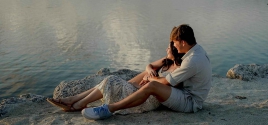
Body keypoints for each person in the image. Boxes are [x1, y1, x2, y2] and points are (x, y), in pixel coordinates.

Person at [81, 24, 212, 120]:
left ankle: (109, 109)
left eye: (175, 43)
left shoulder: (192, 60)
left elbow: (166, 82)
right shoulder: (197, 50)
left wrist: (149, 79)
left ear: (183, 42)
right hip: (186, 94)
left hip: (190, 102)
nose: (174, 47)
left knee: (153, 85)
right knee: (149, 81)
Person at [47, 40, 184, 114]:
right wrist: (149, 71)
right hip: (140, 90)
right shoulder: (166, 61)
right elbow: (149, 65)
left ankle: (76, 102)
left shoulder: (179, 70)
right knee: (109, 80)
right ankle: (75, 101)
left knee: (111, 79)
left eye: (169, 48)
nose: (166, 50)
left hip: (149, 100)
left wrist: (149, 79)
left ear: (175, 50)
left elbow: (164, 85)